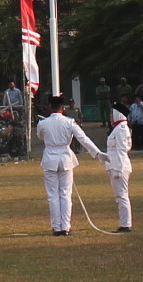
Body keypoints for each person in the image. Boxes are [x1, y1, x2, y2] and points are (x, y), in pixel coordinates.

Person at [35, 94, 103, 236]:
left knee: (53, 195)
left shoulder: (43, 123)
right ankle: (65, 226)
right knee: (65, 194)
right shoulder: (69, 122)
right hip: (65, 157)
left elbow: (40, 136)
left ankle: (57, 227)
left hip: (50, 157)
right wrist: (96, 153)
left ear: (50, 107)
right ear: (63, 108)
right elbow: (83, 138)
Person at [104, 105, 134, 232]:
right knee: (120, 196)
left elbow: (122, 150)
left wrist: (119, 169)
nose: (110, 116)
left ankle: (125, 224)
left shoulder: (121, 129)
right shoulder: (118, 128)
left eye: (112, 113)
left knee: (122, 195)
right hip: (115, 165)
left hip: (119, 166)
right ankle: (124, 223)